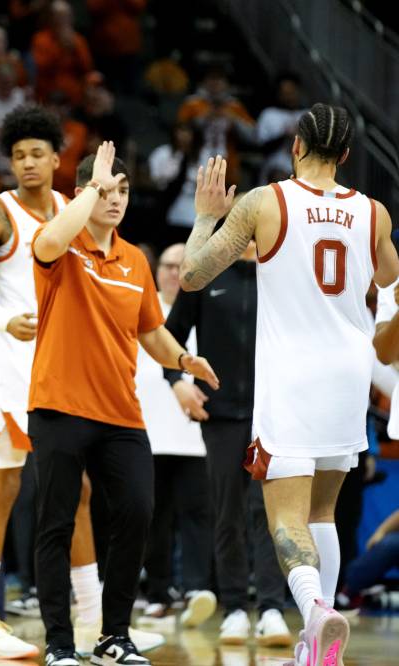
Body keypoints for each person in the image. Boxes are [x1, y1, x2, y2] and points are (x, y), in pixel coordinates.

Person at [179, 103, 399, 666]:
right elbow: (391, 284)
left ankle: (316, 611)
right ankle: (317, 644)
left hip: (293, 374)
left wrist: (205, 216)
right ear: (346, 155)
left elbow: (193, 275)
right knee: (322, 512)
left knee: (284, 516)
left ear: (295, 146)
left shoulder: (264, 202)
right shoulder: (374, 213)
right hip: (348, 372)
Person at [29, 142, 218, 666]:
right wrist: (91, 185)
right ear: (84, 194)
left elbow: (151, 332)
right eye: (105, 190)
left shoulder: (135, 259)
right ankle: (60, 644)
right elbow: (47, 239)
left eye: (123, 191)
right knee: (57, 523)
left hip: (119, 412)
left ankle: (115, 636)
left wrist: (184, 360)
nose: (115, 200)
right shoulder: (62, 248)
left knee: (137, 510)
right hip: (59, 406)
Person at [0, 105, 93, 661]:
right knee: (3, 489)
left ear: (57, 159)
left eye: (37, 153)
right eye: (18, 155)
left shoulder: (74, 210)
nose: (27, 163)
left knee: (80, 492)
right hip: (10, 370)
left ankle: (93, 617)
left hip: (63, 369)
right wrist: (1, 320)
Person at [164, 237, 291, 645]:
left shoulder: (283, 277)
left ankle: (272, 607)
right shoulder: (203, 278)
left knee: (267, 511)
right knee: (227, 511)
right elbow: (170, 338)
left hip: (272, 414)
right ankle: (235, 606)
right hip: (219, 417)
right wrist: (178, 382)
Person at [134, 244, 217, 631]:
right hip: (148, 434)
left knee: (199, 515)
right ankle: (158, 593)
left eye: (180, 266)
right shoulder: (141, 312)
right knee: (154, 519)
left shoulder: (204, 310)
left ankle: (197, 590)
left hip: (197, 437)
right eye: (167, 266)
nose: (172, 273)